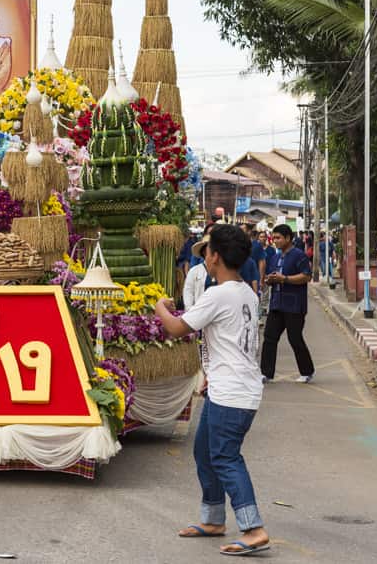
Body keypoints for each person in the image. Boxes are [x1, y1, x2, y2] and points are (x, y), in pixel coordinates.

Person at [154, 224, 270, 556]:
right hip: (233, 387)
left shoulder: (218, 294)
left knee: (224, 456)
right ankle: (213, 518)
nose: (204, 256)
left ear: (215, 257)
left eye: (206, 251)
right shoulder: (247, 292)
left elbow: (177, 328)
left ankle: (253, 528)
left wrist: (160, 306)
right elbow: (236, 341)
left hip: (232, 392)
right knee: (205, 451)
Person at [261, 224, 315, 383]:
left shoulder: (299, 256)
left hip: (294, 305)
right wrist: (269, 280)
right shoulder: (275, 257)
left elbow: (306, 276)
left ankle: (307, 371)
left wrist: (285, 279)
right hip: (277, 304)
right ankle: (266, 373)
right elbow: (270, 277)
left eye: (278, 238)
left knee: (295, 338)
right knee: (269, 337)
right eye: (274, 237)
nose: (275, 241)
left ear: (288, 238)